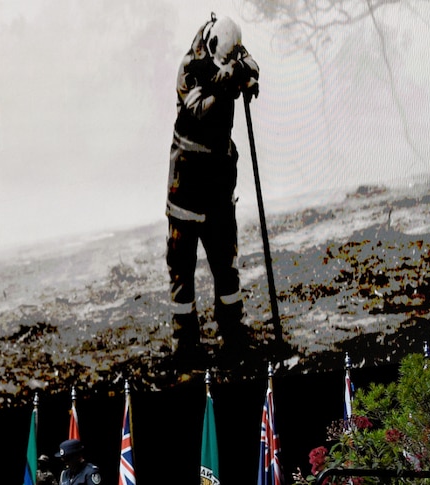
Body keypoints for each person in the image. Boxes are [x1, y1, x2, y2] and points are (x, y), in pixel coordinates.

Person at [166, 12, 260, 372]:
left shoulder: (231, 46)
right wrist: (228, 84)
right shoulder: (189, 67)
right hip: (186, 185)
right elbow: (199, 110)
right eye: (225, 59)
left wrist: (247, 77)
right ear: (211, 45)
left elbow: (250, 64)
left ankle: (232, 331)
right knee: (182, 266)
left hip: (220, 182)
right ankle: (185, 342)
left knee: (225, 262)